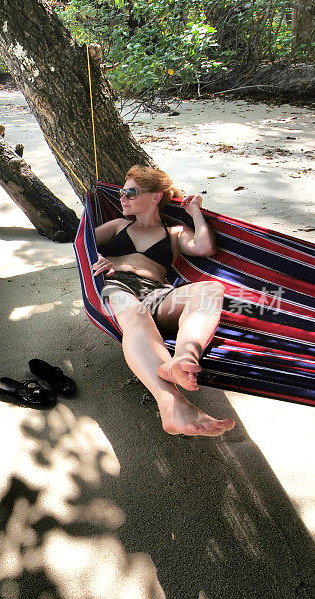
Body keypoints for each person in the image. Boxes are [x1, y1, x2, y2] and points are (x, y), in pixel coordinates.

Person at [92, 165, 236, 437]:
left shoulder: (174, 233)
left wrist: (194, 213)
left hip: (158, 293)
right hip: (116, 285)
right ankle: (172, 404)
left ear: (156, 196)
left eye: (131, 192)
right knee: (136, 315)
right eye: (122, 192)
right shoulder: (118, 226)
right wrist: (96, 260)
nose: (122, 198)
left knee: (211, 290)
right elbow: (82, 246)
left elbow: (205, 248)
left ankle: (182, 359)